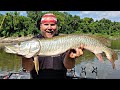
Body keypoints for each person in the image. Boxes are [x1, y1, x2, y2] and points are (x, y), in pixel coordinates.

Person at [22, 13, 84, 79]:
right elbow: (28, 68)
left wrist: (70, 56)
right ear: (40, 26)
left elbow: (69, 66)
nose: (49, 28)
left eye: (52, 25)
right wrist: (25, 56)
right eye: (46, 24)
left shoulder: (64, 41)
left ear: (56, 26)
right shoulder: (33, 42)